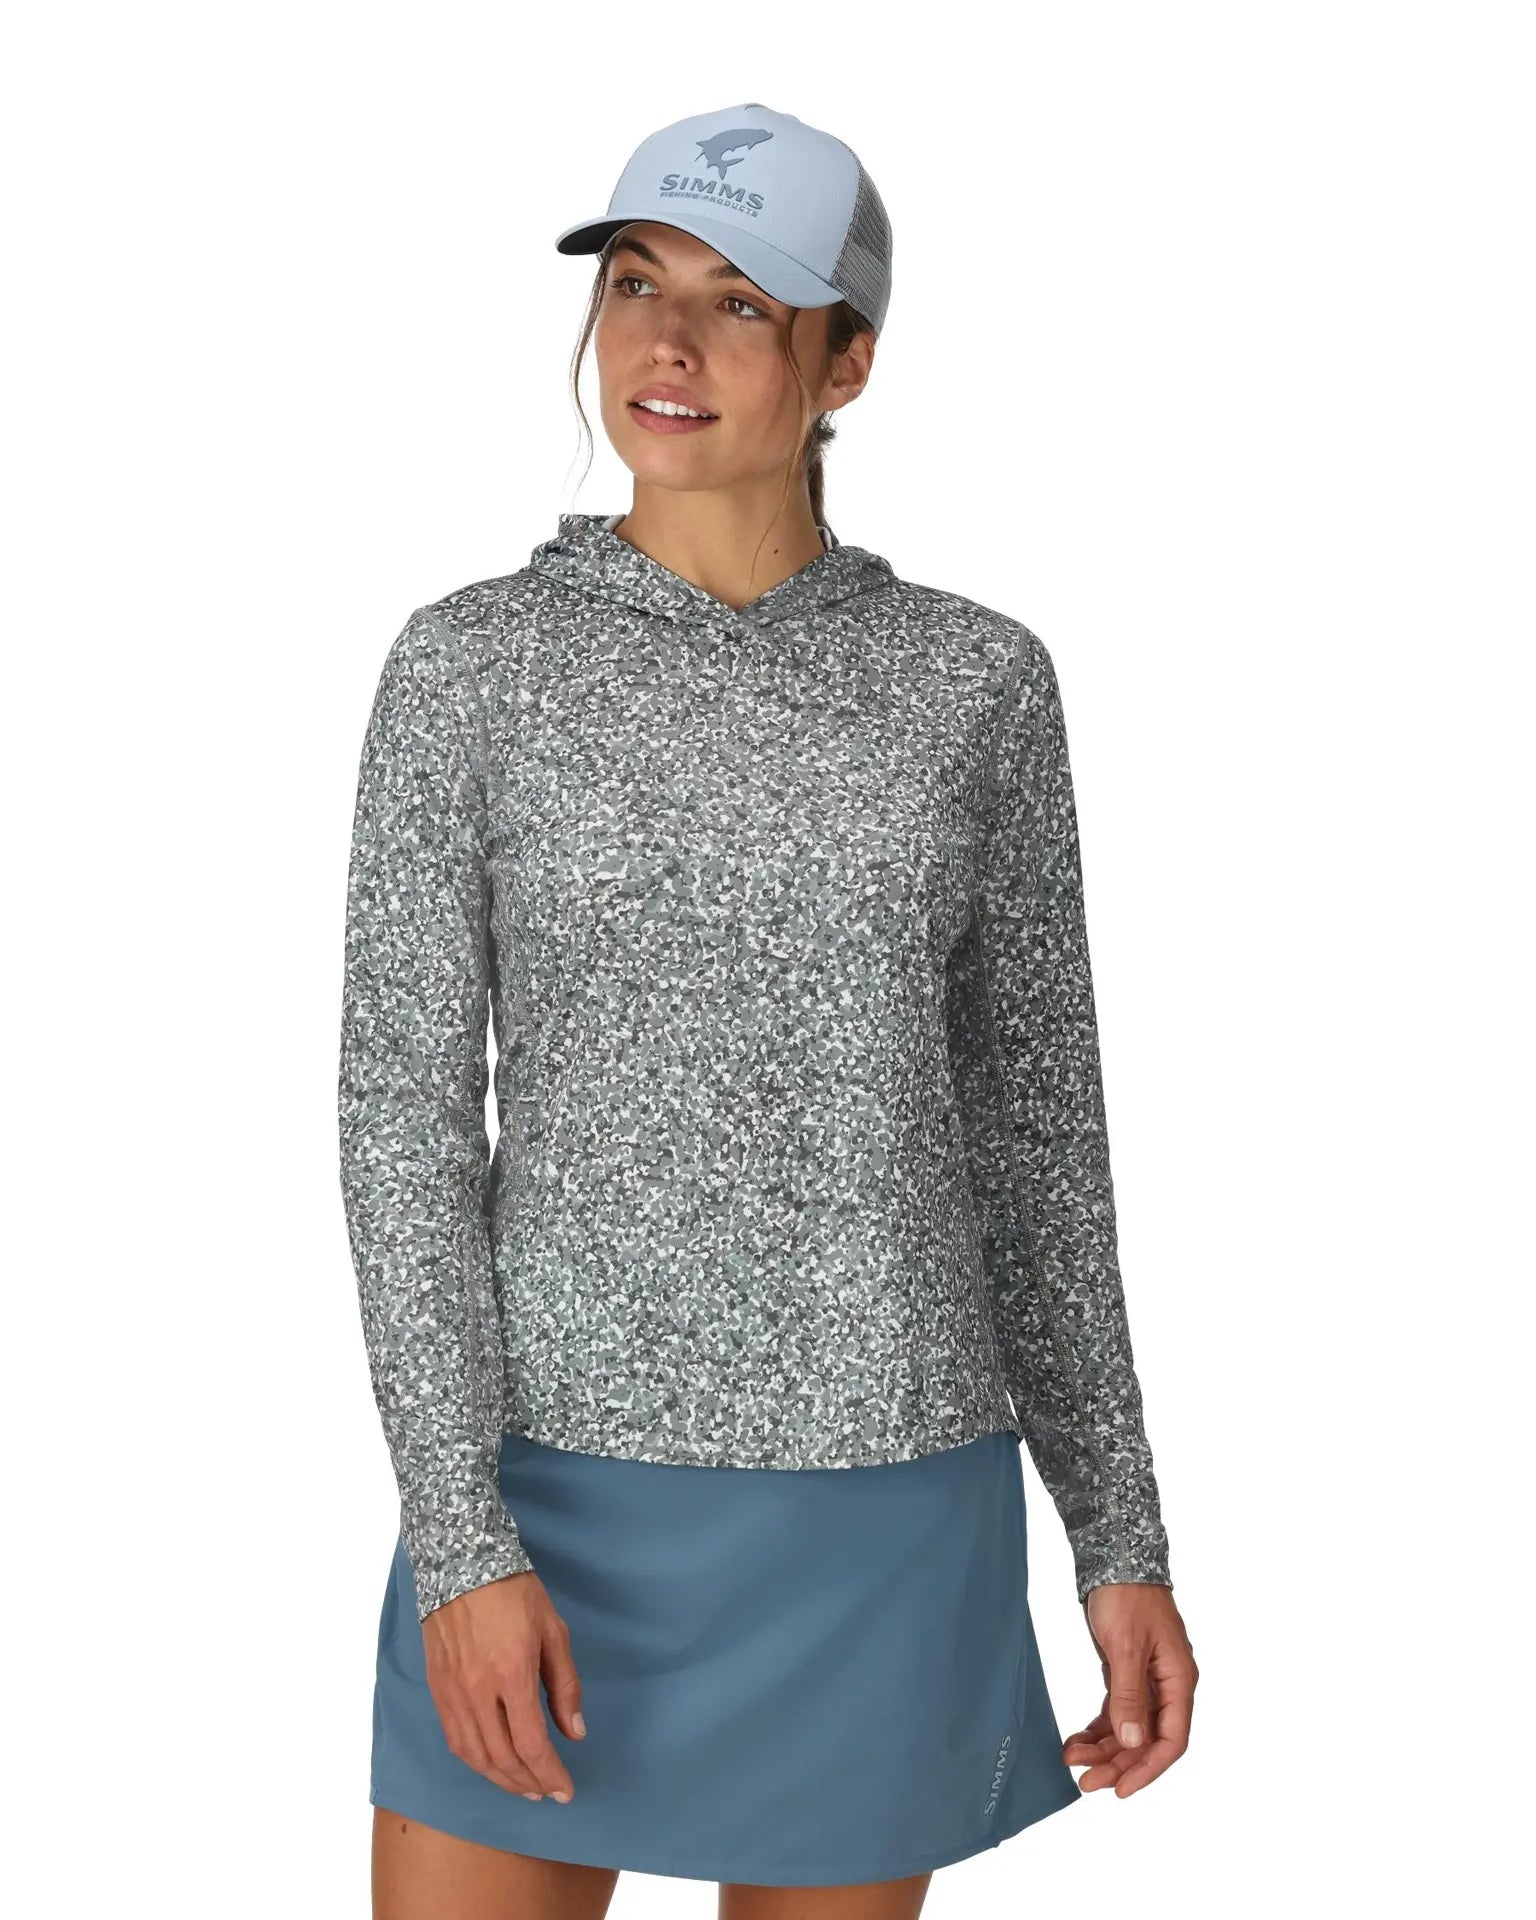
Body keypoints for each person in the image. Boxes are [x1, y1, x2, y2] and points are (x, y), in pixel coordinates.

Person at [338, 101, 1197, 1920]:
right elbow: (399, 1122)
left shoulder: (973, 684)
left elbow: (1040, 1143)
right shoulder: (468, 667)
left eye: (740, 305)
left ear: (846, 364)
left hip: (882, 1509)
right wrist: (460, 1541)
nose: (665, 343)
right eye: (635, 285)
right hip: (545, 1503)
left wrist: (1116, 1531)